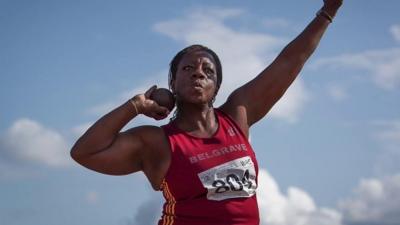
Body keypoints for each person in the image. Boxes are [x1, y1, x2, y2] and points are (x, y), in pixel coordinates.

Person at [70, 1, 343, 224]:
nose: (198, 73)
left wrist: (328, 11)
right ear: (173, 83)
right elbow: (85, 152)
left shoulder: (237, 114)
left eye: (207, 71)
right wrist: (135, 106)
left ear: (216, 87)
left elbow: (288, 62)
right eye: (188, 69)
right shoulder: (157, 142)